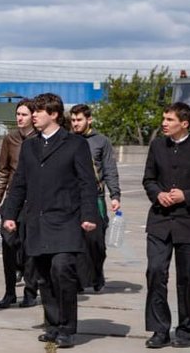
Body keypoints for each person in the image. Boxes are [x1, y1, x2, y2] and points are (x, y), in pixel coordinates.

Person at [1, 93, 98, 349]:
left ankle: (67, 327)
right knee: (43, 276)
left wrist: (89, 215)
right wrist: (9, 214)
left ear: (54, 114)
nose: (33, 115)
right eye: (32, 111)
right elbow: (19, 182)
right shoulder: (30, 146)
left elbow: (87, 183)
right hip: (36, 221)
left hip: (65, 219)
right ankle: (53, 325)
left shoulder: (75, 144)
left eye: (38, 111)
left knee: (62, 269)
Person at [142, 102, 190, 349]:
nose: (164, 123)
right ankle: (159, 329)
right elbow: (149, 179)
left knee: (187, 279)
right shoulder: (156, 146)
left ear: (184, 123)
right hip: (160, 222)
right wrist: (157, 194)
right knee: (155, 272)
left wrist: (187, 195)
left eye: (169, 120)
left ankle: (186, 331)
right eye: (163, 118)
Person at [0, 98, 39, 309]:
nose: (20, 118)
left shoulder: (40, 139)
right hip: (12, 199)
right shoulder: (10, 139)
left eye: (24, 114)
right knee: (8, 244)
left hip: (33, 200)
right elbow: (3, 171)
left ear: (33, 117)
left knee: (29, 248)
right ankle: (10, 292)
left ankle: (30, 291)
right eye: (18, 114)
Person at [69, 104, 121, 292]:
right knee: (75, 241)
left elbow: (109, 169)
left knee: (96, 242)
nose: (75, 124)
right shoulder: (67, 140)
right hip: (73, 199)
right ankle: (79, 280)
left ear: (89, 120)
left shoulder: (101, 141)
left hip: (96, 198)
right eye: (73, 120)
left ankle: (97, 273)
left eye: (79, 120)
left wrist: (115, 194)